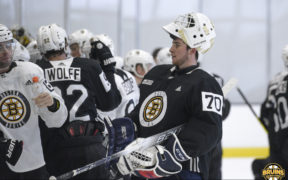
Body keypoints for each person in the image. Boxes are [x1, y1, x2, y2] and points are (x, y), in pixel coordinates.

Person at [111, 12, 223, 180]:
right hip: (144, 168)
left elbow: (208, 130)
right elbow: (143, 114)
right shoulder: (156, 74)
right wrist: (130, 126)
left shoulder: (204, 83)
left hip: (184, 171)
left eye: (177, 44)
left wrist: (168, 154)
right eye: (172, 43)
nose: (171, 49)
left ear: (192, 48)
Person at [35, 24, 121, 179]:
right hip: (90, 146)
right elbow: (111, 103)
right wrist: (108, 68)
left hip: (55, 149)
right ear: (65, 44)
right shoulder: (89, 66)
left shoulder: (34, 71)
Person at [0, 24, 68, 179]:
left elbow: (58, 121)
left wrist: (52, 104)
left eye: (9, 45)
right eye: (0, 47)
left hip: (33, 161)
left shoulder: (29, 72)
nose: (6, 52)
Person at [251, 45, 288, 180]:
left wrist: (273, 130)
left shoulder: (274, 81)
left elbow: (265, 112)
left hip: (275, 138)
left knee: (277, 172)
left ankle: (260, 172)